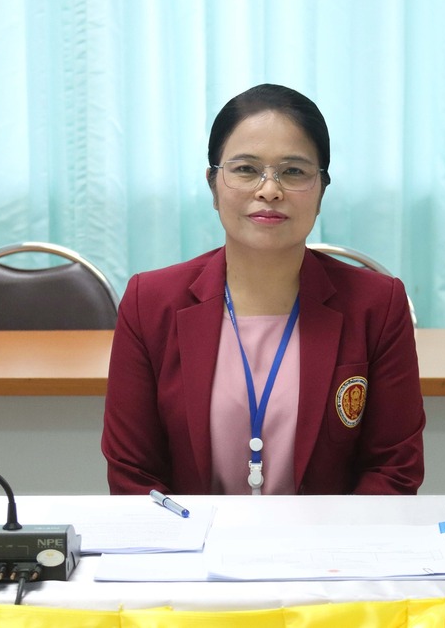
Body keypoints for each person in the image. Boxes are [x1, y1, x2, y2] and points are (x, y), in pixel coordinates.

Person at [101, 83, 424, 495]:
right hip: (192, 536)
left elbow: (393, 469)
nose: (269, 190)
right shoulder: (150, 303)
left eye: (294, 171)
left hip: (331, 537)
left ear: (321, 190)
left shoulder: (377, 306)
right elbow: (133, 475)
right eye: (245, 169)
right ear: (213, 185)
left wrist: (332, 538)